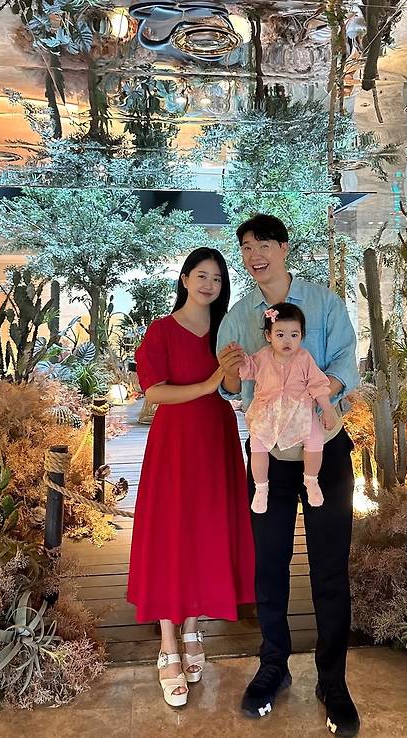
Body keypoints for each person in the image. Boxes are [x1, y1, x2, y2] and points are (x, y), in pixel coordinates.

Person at [217, 215, 361, 737]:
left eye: (263, 245)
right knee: (270, 564)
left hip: (325, 447)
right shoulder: (238, 318)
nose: (254, 255)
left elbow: (346, 361)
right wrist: (230, 372)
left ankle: (333, 681)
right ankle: (273, 665)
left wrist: (320, 395)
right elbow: (231, 387)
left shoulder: (323, 303)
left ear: (283, 248)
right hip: (269, 454)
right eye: (246, 247)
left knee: (329, 568)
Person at [127, 247, 255, 709]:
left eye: (217, 279)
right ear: (184, 278)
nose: (209, 285)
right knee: (170, 534)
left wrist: (233, 372)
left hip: (216, 440)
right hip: (174, 444)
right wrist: (208, 382)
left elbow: (233, 390)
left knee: (206, 530)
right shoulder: (161, 330)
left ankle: (193, 628)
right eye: (202, 276)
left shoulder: (226, 330)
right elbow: (154, 392)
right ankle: (167, 642)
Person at [239, 302, 338, 514]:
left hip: (299, 410)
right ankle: (261, 488)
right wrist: (239, 359)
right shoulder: (262, 356)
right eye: (280, 334)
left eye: (294, 335)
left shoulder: (304, 358)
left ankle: (311, 480)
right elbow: (247, 370)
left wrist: (328, 410)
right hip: (267, 412)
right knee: (257, 445)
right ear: (268, 336)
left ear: (301, 336)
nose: (287, 340)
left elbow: (317, 385)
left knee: (315, 437)